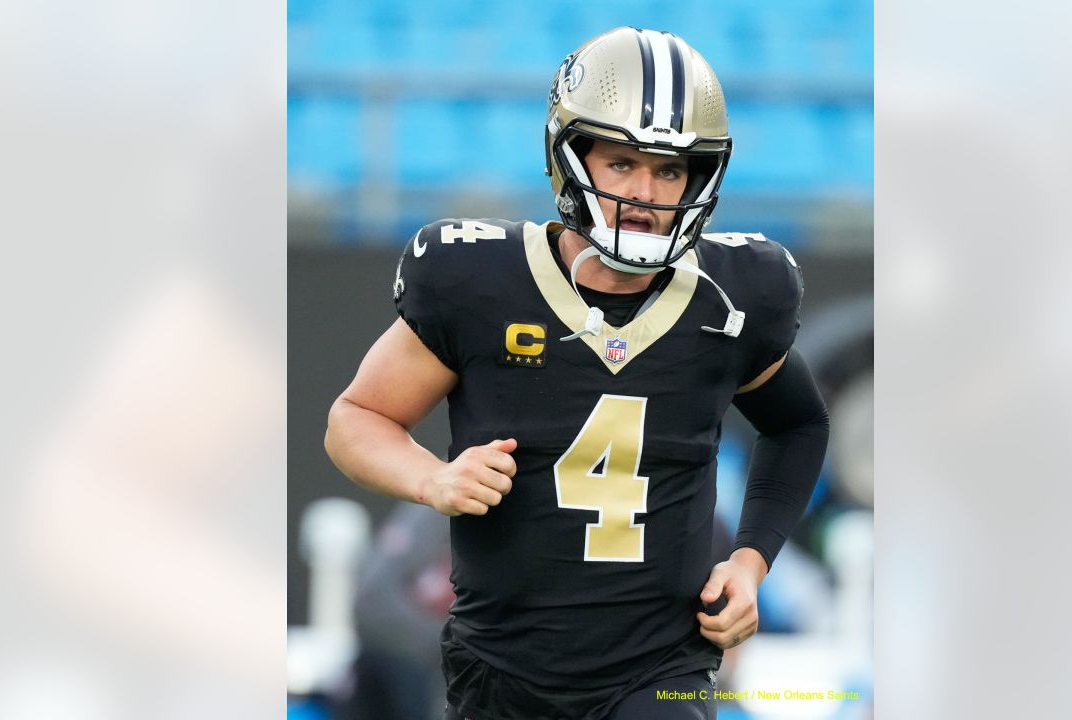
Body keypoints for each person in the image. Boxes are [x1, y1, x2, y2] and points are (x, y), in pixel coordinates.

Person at [325, 26, 830, 720]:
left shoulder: (736, 294)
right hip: (501, 669)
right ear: (570, 157)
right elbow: (357, 418)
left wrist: (750, 563)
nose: (646, 193)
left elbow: (799, 424)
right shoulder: (475, 280)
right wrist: (431, 479)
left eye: (671, 169)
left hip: (664, 670)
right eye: (621, 163)